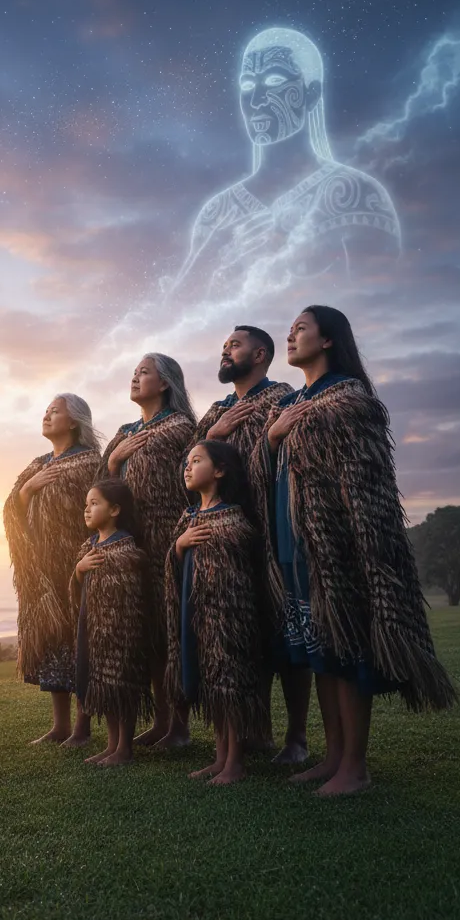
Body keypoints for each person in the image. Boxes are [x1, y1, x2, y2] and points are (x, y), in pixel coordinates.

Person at [251, 306, 457, 796]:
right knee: (320, 652)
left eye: (301, 329)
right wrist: (272, 437)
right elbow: (263, 469)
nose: (291, 335)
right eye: (290, 329)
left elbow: (364, 479)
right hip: (292, 542)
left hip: (335, 544)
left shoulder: (347, 396)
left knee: (344, 646)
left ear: (328, 340)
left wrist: (361, 545)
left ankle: (355, 766)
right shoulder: (291, 403)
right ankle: (332, 756)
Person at [167, 27, 400, 302]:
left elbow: (385, 302)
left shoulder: (357, 194)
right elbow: (177, 309)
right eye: (247, 85)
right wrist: (214, 259)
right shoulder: (217, 212)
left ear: (311, 93)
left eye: (274, 80)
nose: (256, 100)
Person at [189, 325, 308, 764]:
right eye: (224, 346)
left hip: (272, 532)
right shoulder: (216, 411)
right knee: (242, 634)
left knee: (286, 634)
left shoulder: (282, 397)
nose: (226, 351)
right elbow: (192, 463)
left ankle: (297, 738)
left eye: (234, 345)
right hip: (225, 540)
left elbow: (294, 458)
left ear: (260, 355)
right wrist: (216, 432)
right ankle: (255, 732)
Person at [99, 353, 197, 747]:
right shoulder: (124, 433)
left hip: (168, 539)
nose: (135, 377)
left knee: (171, 629)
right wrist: (114, 460)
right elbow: (102, 490)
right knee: (149, 634)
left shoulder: (180, 428)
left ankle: (180, 726)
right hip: (132, 545)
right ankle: (160, 721)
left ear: (165, 382)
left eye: (144, 372)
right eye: (134, 372)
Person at [165, 441, 269, 785]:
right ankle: (220, 757)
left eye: (196, 461)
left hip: (228, 618)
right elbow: (174, 564)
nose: (188, 467)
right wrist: (179, 545)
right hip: (198, 615)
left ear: (220, 470)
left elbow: (239, 567)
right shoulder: (189, 517)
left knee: (230, 683)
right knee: (212, 681)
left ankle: (235, 763)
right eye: (187, 462)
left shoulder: (233, 518)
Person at [4, 394, 101, 746]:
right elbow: (10, 509)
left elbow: (100, 507)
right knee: (54, 645)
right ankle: (59, 726)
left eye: (55, 411)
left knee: (80, 642)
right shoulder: (37, 464)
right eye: (46, 411)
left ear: (73, 421)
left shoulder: (90, 462)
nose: (46, 416)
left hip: (76, 563)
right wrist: (28, 489)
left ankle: (82, 727)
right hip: (41, 571)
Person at [72, 479, 153, 767]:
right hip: (96, 632)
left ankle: (124, 748)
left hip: (121, 632)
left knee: (121, 684)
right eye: (86, 504)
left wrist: (121, 627)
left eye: (95, 503)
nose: (87, 509)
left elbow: (134, 595)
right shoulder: (89, 547)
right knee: (103, 684)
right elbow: (80, 589)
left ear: (115, 509)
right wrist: (79, 569)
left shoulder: (126, 549)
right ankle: (111, 745)